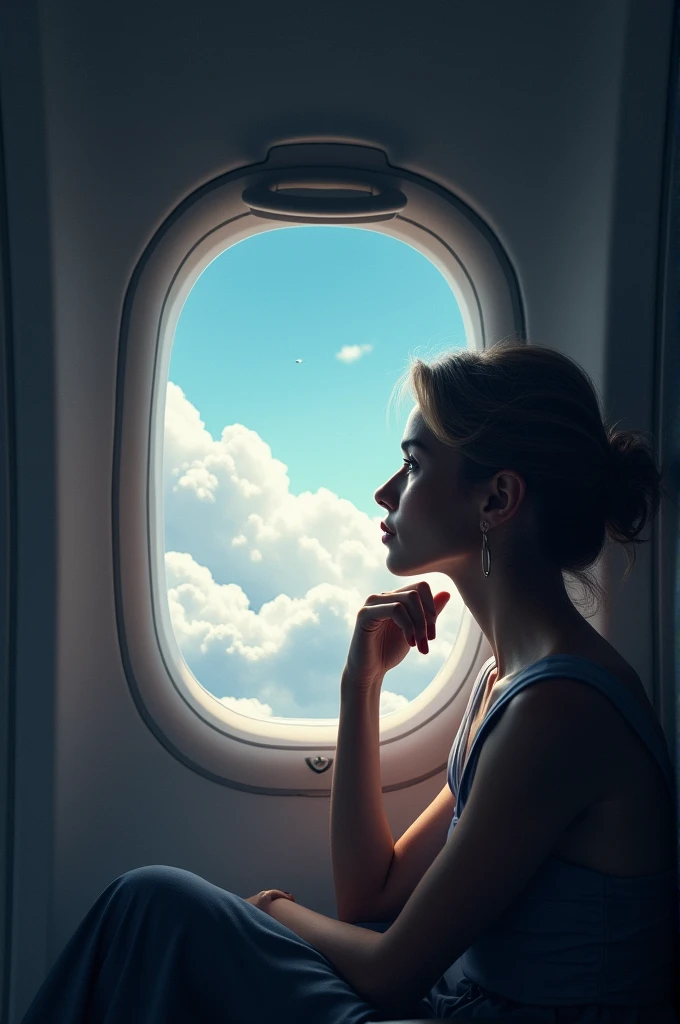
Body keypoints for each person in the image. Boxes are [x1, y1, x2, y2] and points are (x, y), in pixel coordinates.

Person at [21, 342, 678, 1023]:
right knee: (152, 912)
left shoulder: (558, 711)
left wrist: (271, 909)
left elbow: (392, 974)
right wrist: (359, 684)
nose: (385, 492)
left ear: (498, 499)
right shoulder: (507, 685)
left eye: (414, 465)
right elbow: (374, 892)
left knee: (150, 905)